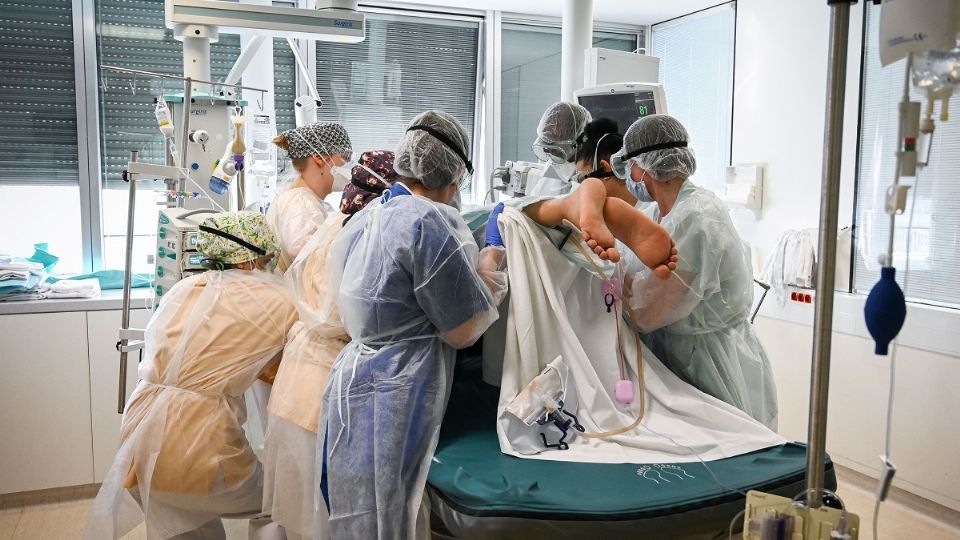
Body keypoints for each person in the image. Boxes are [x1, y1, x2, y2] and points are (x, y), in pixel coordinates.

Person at [315, 110, 507, 540]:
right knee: (393, 509)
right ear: (452, 173)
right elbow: (464, 328)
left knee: (355, 506)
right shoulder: (429, 222)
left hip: (352, 379)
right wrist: (491, 255)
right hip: (401, 387)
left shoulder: (370, 214)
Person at [84, 212, 298, 540]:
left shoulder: (184, 289)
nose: (269, 267)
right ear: (247, 260)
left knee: (188, 524)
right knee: (277, 503)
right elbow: (285, 361)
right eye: (266, 258)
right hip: (198, 444)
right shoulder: (275, 299)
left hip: (139, 440)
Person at [261, 151, 399, 540]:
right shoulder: (361, 235)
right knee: (323, 515)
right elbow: (346, 313)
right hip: (321, 386)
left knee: (303, 512)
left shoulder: (337, 222)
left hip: (297, 379)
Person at [610, 114, 778, 429]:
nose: (628, 177)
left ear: (643, 166)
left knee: (721, 454)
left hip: (707, 362)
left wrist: (611, 295)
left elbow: (651, 313)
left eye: (628, 166)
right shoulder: (654, 212)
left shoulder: (697, 219)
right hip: (671, 354)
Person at [267, 122, 353, 270]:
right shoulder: (300, 204)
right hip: (294, 292)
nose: (349, 166)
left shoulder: (304, 198)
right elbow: (312, 260)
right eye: (345, 157)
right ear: (319, 158)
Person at [527, 101, 592, 196]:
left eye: (554, 148)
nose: (547, 152)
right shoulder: (551, 172)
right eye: (545, 145)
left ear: (579, 143)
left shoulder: (592, 181)